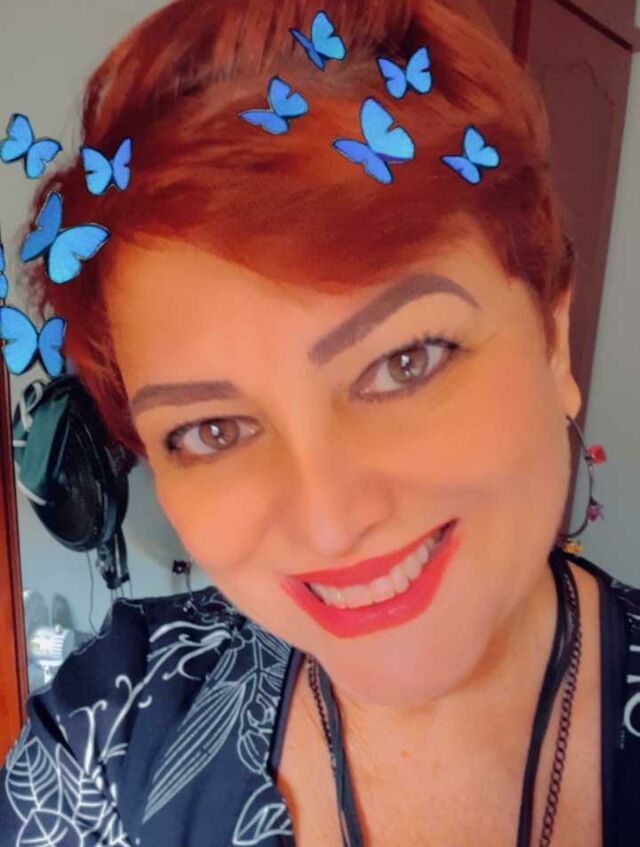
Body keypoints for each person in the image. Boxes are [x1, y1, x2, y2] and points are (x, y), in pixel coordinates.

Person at [1, 0, 639, 845]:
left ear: (552, 337)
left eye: (406, 361)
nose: (331, 522)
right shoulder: (100, 744)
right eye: (213, 430)